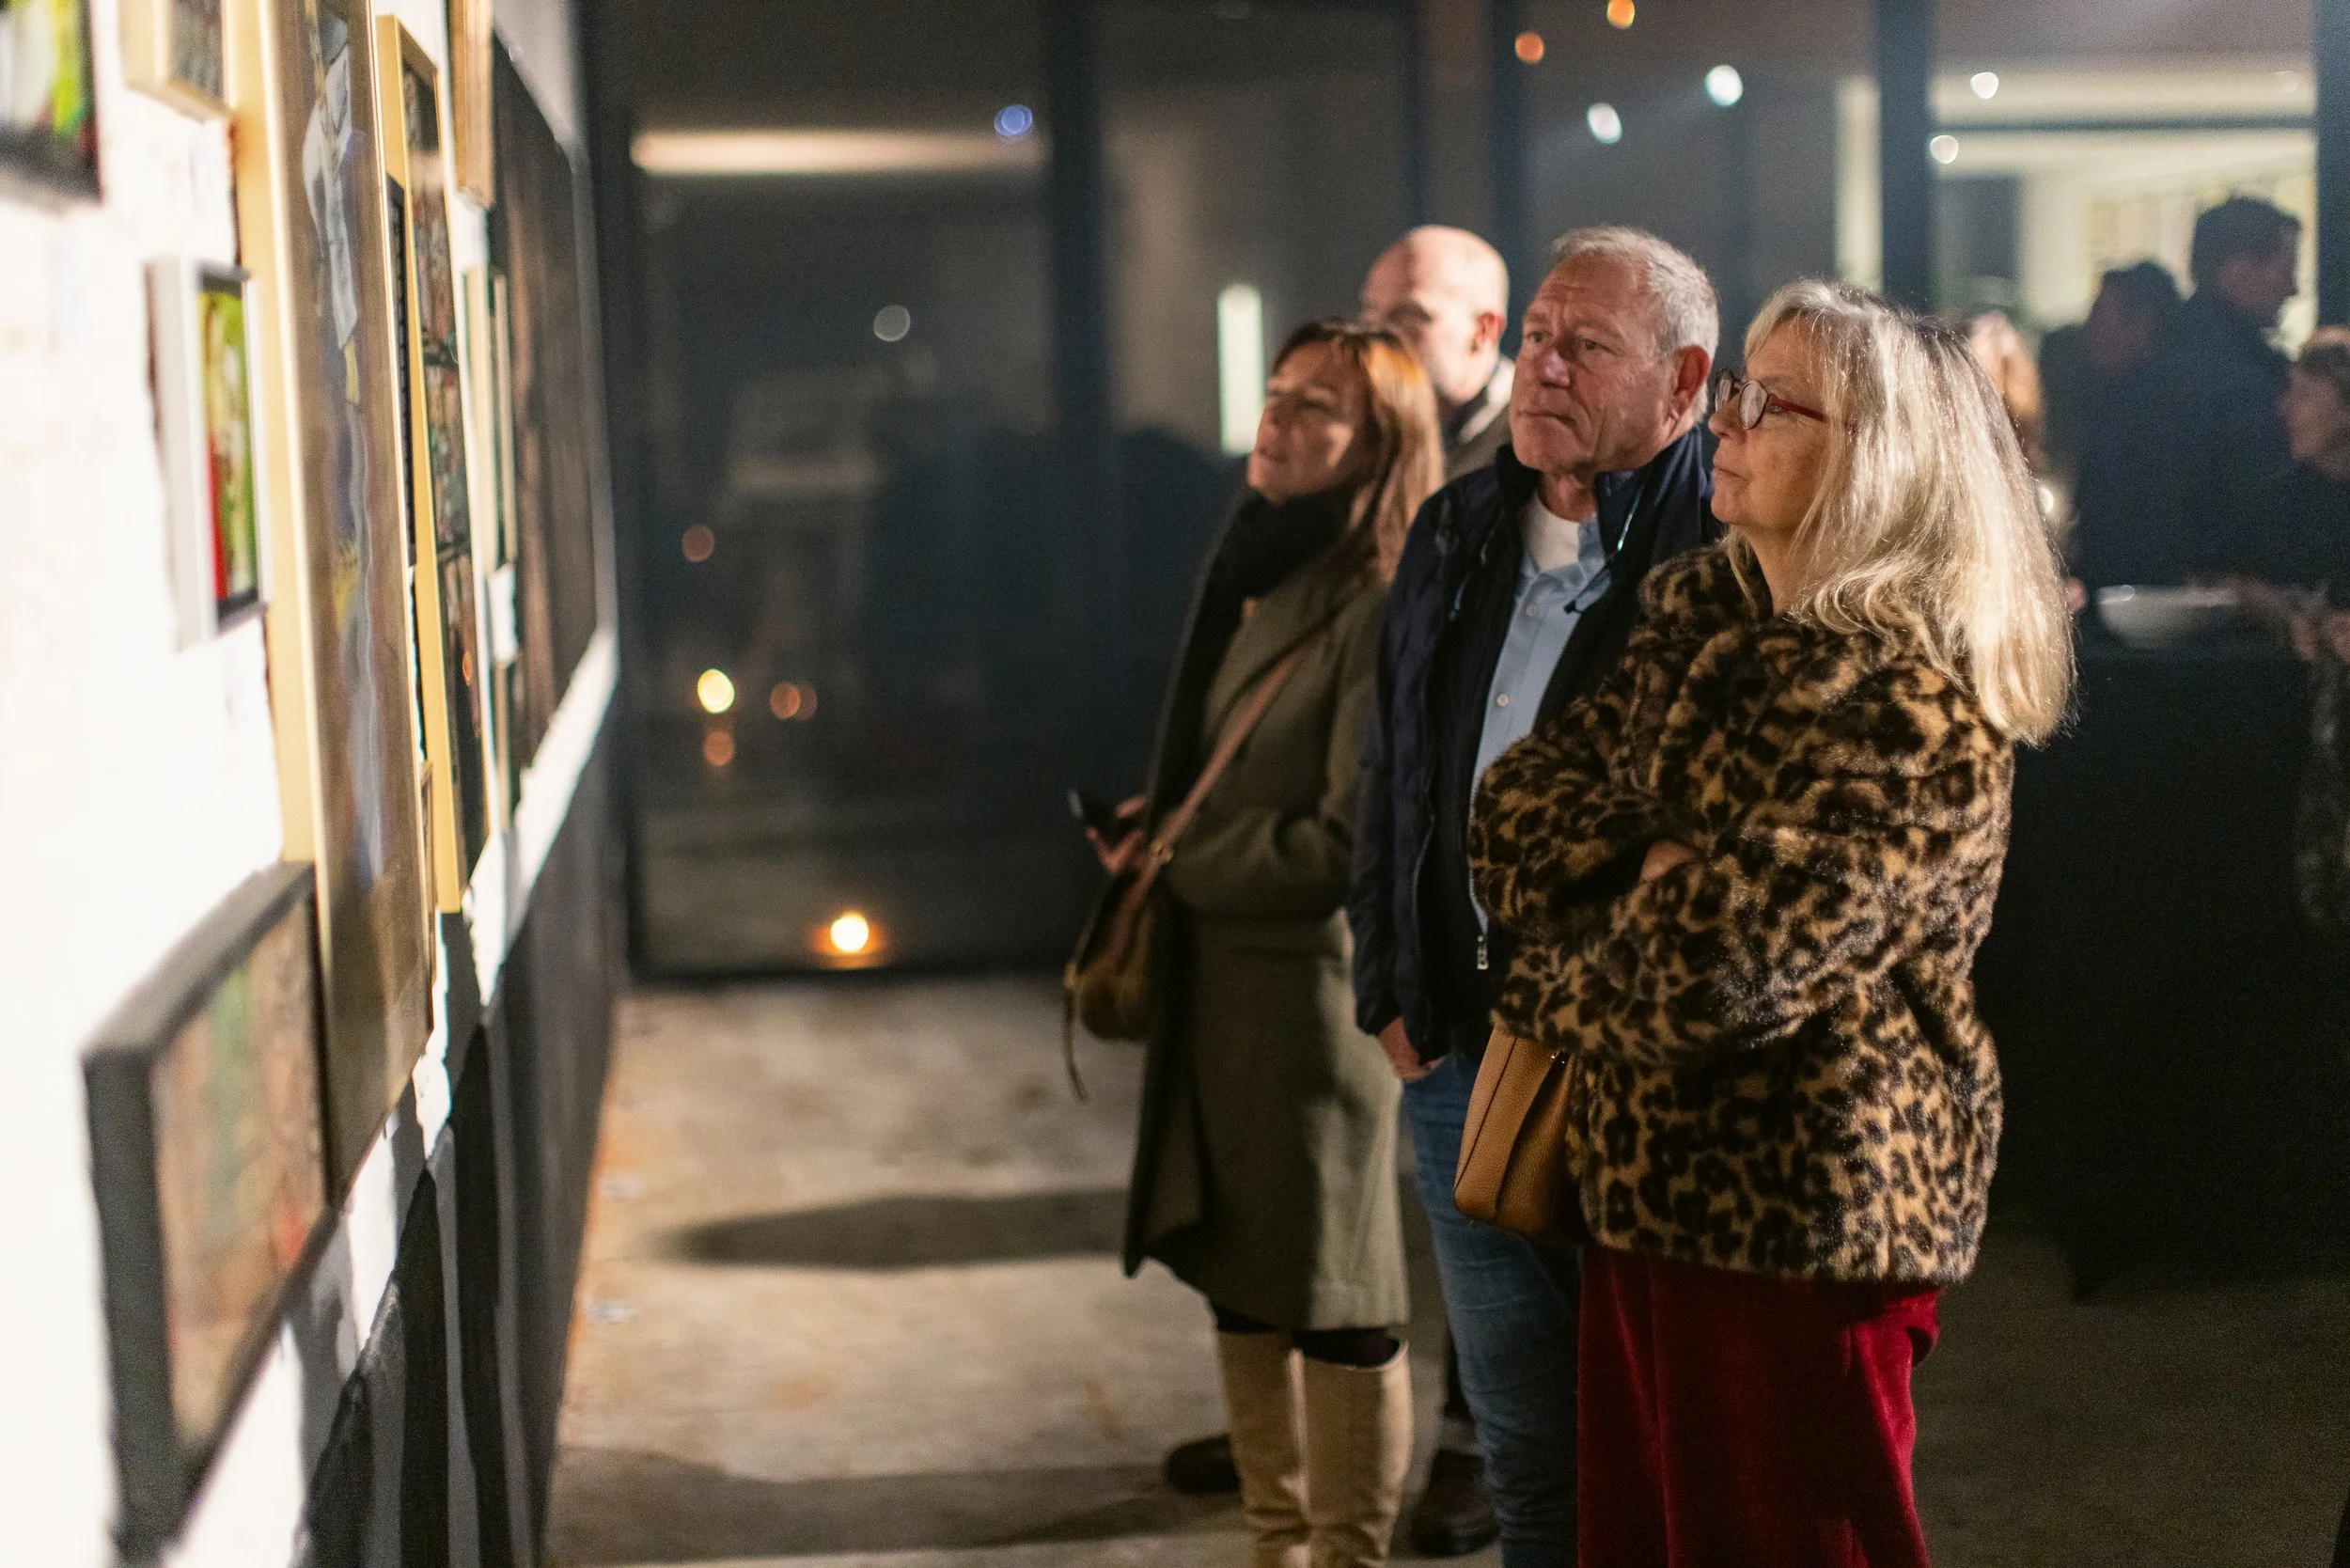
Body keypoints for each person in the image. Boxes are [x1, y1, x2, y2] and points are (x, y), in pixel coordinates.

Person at [1472, 280, 2073, 1565]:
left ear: (1878, 459)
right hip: (1632, 1187)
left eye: (1770, 400)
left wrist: (1592, 917)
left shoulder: (1914, 697)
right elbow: (1511, 813)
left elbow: (1721, 969)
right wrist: (1665, 868)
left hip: (1800, 1215)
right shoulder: (1697, 619)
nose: (1728, 424)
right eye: (1736, 390)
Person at [1350, 227, 1720, 1567]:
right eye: (1540, 339)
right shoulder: (1458, 526)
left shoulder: (1727, 551)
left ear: (1682, 386)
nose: (1544, 367)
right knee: (1523, 1449)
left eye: (1589, 346)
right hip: (1460, 1049)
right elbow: (1393, 760)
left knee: (1660, 1446)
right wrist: (1387, 981)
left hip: (1638, 1073)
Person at [1111, 319, 1446, 1568]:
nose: (1278, 420)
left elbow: (1344, 842)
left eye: (1319, 408)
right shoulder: (1268, 574)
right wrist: (1168, 828)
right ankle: (1276, 1542)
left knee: (1341, 1304)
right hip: (1228, 990)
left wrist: (1182, 860)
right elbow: (1242, 775)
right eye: (1278, 393)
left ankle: (1341, 1558)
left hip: (1305, 1012)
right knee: (1245, 1279)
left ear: (1377, 449)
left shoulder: (1373, 602)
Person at [2073, 196, 2303, 588]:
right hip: (2218, 606)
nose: (2293, 288)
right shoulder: (2239, 379)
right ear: (2239, 271)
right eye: (2284, 271)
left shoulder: (2157, 359)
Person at [1362, 226, 1517, 480]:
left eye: (1408, 317)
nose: (1378, 339)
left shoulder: (1534, 441)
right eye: (1370, 317)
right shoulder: (1368, 431)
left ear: (1484, 329)